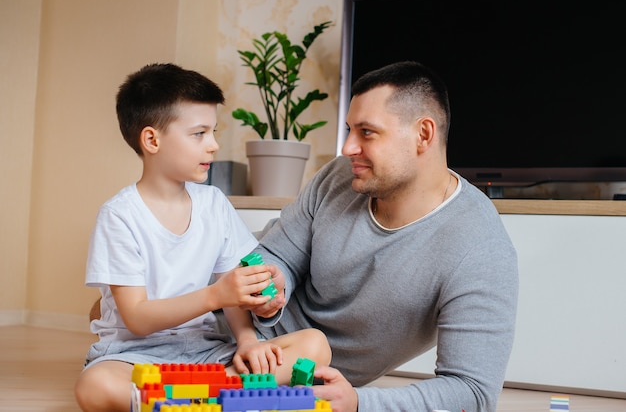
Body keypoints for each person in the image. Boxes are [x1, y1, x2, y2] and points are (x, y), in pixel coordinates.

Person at [249, 61, 519, 412]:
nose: (347, 148)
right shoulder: (338, 176)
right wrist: (273, 281)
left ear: (423, 134)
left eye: (367, 132)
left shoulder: (479, 248)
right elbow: (277, 253)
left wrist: (359, 402)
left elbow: (472, 391)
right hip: (225, 321)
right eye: (349, 130)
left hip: (285, 373)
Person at [74, 63, 331, 412]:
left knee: (315, 345)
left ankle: (196, 399)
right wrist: (214, 295)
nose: (213, 145)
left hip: (207, 351)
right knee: (95, 386)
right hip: (135, 355)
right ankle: (223, 398)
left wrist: (246, 341)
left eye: (213, 132)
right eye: (199, 134)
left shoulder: (214, 204)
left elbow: (233, 290)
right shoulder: (119, 216)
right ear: (152, 140)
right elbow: (137, 318)